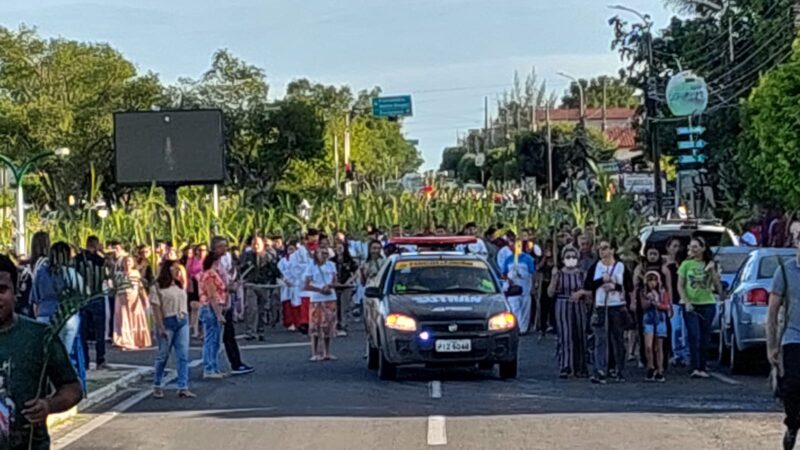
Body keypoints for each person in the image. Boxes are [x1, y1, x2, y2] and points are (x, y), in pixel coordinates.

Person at [0, 253, 82, 450]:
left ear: (16, 292)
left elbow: (73, 388)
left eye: (2, 290)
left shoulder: (39, 336)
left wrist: (48, 405)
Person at [766, 235, 800, 450]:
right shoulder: (786, 271)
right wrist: (772, 346)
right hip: (794, 337)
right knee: (793, 385)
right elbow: (772, 312)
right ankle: (792, 424)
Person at [585, 240, 629, 384]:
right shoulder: (596, 266)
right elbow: (588, 285)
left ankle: (619, 370)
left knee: (618, 339)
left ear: (612, 250)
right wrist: (601, 281)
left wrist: (614, 286)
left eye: (605, 248)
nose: (602, 251)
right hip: (601, 306)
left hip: (616, 305)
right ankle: (599, 370)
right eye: (600, 249)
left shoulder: (621, 267)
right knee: (600, 340)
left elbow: (629, 286)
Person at [209, 236, 254, 376]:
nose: (225, 249)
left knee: (229, 335)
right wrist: (228, 287)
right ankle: (212, 366)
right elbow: (211, 283)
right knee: (216, 337)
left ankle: (235, 363)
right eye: (221, 246)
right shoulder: (211, 264)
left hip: (225, 301)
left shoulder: (221, 263)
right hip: (217, 303)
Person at [678, 236, 722, 379]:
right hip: (691, 305)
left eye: (696, 247)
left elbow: (717, 287)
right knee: (694, 335)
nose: (693, 250)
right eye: (691, 247)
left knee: (705, 337)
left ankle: (703, 366)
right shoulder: (686, 264)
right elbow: (680, 285)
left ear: (703, 248)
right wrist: (687, 302)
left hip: (707, 304)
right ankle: (695, 366)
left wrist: (712, 271)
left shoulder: (710, 264)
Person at [150, 260, 195, 399]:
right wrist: (160, 326)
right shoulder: (157, 287)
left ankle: (183, 386)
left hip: (182, 319)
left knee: (183, 355)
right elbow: (156, 308)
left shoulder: (179, 284)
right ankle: (157, 384)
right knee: (163, 355)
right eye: (174, 268)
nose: (177, 271)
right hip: (167, 321)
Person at [549, 245, 589, 378]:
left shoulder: (582, 274)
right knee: (565, 335)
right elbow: (550, 293)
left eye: (573, 257)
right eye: (568, 257)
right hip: (562, 304)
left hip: (579, 305)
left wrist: (581, 293)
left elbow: (589, 291)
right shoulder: (559, 274)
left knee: (580, 334)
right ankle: (565, 365)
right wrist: (554, 278)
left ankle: (581, 366)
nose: (571, 259)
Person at [76, 236, 108, 371]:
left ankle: (86, 360)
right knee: (99, 331)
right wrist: (103, 253)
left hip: (82, 299)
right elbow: (108, 274)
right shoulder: (101, 260)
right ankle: (100, 359)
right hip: (97, 296)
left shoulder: (77, 260)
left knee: (82, 332)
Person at [241, 235, 280, 341]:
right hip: (251, 285)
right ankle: (250, 331)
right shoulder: (247, 256)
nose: (256, 246)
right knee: (251, 308)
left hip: (264, 285)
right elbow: (242, 269)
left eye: (258, 244)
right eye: (254, 244)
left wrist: (279, 279)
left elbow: (274, 270)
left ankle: (260, 330)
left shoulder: (268, 256)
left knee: (262, 309)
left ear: (263, 245)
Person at [303, 244, 338, 361]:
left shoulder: (332, 266)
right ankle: (315, 352)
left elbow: (335, 281)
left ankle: (327, 352)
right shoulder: (311, 267)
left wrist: (329, 286)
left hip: (330, 298)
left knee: (327, 325)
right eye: (321, 253)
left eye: (325, 253)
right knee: (315, 326)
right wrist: (320, 289)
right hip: (316, 299)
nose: (323, 256)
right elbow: (306, 285)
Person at [113, 256, 151, 350]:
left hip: (134, 298)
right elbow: (116, 286)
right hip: (122, 299)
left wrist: (145, 298)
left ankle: (136, 340)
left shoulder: (136, 273)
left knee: (135, 318)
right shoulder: (119, 274)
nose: (127, 263)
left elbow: (140, 286)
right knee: (124, 320)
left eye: (129, 261)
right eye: (125, 261)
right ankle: (125, 341)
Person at [641, 271, 671, 382]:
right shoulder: (643, 292)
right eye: (650, 280)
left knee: (659, 347)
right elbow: (643, 306)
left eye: (654, 280)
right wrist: (649, 301)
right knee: (648, 346)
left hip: (660, 318)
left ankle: (660, 369)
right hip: (648, 318)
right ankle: (650, 366)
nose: (652, 283)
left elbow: (666, 305)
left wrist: (657, 302)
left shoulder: (663, 292)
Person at [501, 235, 535, 334]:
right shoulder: (508, 259)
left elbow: (532, 273)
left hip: (525, 287)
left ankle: (523, 329)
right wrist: (508, 279)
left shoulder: (528, 259)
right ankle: (516, 328)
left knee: (525, 308)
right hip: (513, 288)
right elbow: (503, 273)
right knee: (514, 307)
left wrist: (534, 286)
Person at [664, 237, 689, 366]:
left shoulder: (685, 264)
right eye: (674, 246)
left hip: (684, 300)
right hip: (673, 301)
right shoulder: (666, 266)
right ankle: (675, 353)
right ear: (668, 248)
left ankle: (685, 354)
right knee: (675, 328)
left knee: (685, 329)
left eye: (678, 246)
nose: (676, 249)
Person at [290, 229, 320, 334]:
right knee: (305, 304)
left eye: (317, 237)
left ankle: (315, 322)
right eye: (313, 237)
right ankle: (305, 323)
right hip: (304, 281)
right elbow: (295, 266)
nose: (315, 239)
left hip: (317, 281)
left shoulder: (320, 249)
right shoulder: (300, 251)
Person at [332, 238, 358, 337]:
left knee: (344, 306)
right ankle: (336, 325)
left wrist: (349, 281)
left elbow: (356, 272)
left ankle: (343, 325)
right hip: (335, 286)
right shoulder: (332, 261)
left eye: (340, 247)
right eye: (337, 247)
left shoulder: (349, 260)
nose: (339, 249)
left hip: (346, 286)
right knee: (335, 307)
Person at [187, 244, 207, 338]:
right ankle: (195, 330)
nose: (201, 252)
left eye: (204, 250)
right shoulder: (192, 260)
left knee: (203, 307)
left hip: (204, 284)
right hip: (194, 283)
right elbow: (188, 272)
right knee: (194, 307)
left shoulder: (207, 261)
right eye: (199, 250)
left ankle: (203, 330)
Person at [278, 241, 299, 330]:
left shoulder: (299, 260)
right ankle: (289, 322)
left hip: (296, 284)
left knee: (296, 304)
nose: (291, 251)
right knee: (287, 304)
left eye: (292, 249)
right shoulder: (282, 261)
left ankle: (297, 322)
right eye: (289, 249)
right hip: (286, 285)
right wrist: (285, 281)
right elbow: (279, 272)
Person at [537, 246, 556, 337]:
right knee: (543, 306)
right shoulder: (542, 259)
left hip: (555, 284)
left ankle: (553, 325)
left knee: (553, 306)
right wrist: (544, 258)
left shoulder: (557, 259)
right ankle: (542, 326)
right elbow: (538, 268)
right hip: (544, 283)